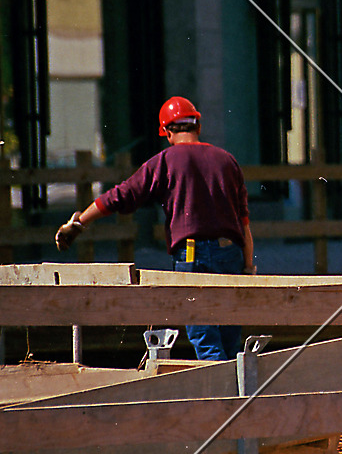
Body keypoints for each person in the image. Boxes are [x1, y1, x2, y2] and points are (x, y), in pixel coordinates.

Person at [55, 96, 255, 361]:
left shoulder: (165, 161)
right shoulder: (227, 161)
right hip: (231, 254)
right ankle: (240, 394)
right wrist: (248, 266)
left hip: (192, 257)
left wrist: (79, 222)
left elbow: (120, 195)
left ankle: (222, 399)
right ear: (197, 126)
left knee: (205, 339)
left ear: (168, 132)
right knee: (230, 341)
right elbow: (243, 224)